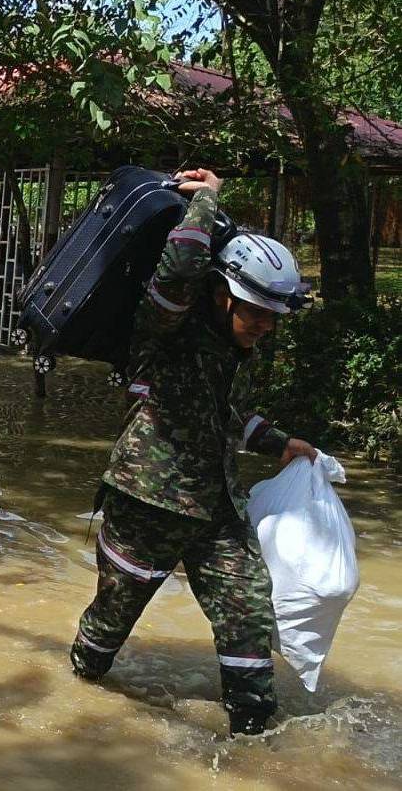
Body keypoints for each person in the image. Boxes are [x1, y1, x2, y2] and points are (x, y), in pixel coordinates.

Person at [69, 168, 317, 737]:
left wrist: (279, 443)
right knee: (110, 623)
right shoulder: (166, 327)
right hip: (147, 500)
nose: (262, 325)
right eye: (252, 311)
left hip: (216, 509)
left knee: (249, 616)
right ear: (219, 294)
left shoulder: (233, 351)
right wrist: (206, 201)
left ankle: (256, 735)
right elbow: (179, 268)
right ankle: (77, 696)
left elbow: (224, 414)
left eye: (270, 316)